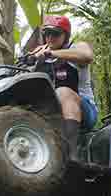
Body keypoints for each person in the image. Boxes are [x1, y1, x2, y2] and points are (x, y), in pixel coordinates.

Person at [31, 15, 98, 165]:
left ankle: (72, 155)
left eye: (55, 33)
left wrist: (52, 53)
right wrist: (32, 59)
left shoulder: (76, 48)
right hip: (51, 114)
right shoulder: (40, 56)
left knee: (62, 92)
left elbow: (87, 56)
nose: (50, 37)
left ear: (65, 35)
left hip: (85, 110)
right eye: (47, 33)